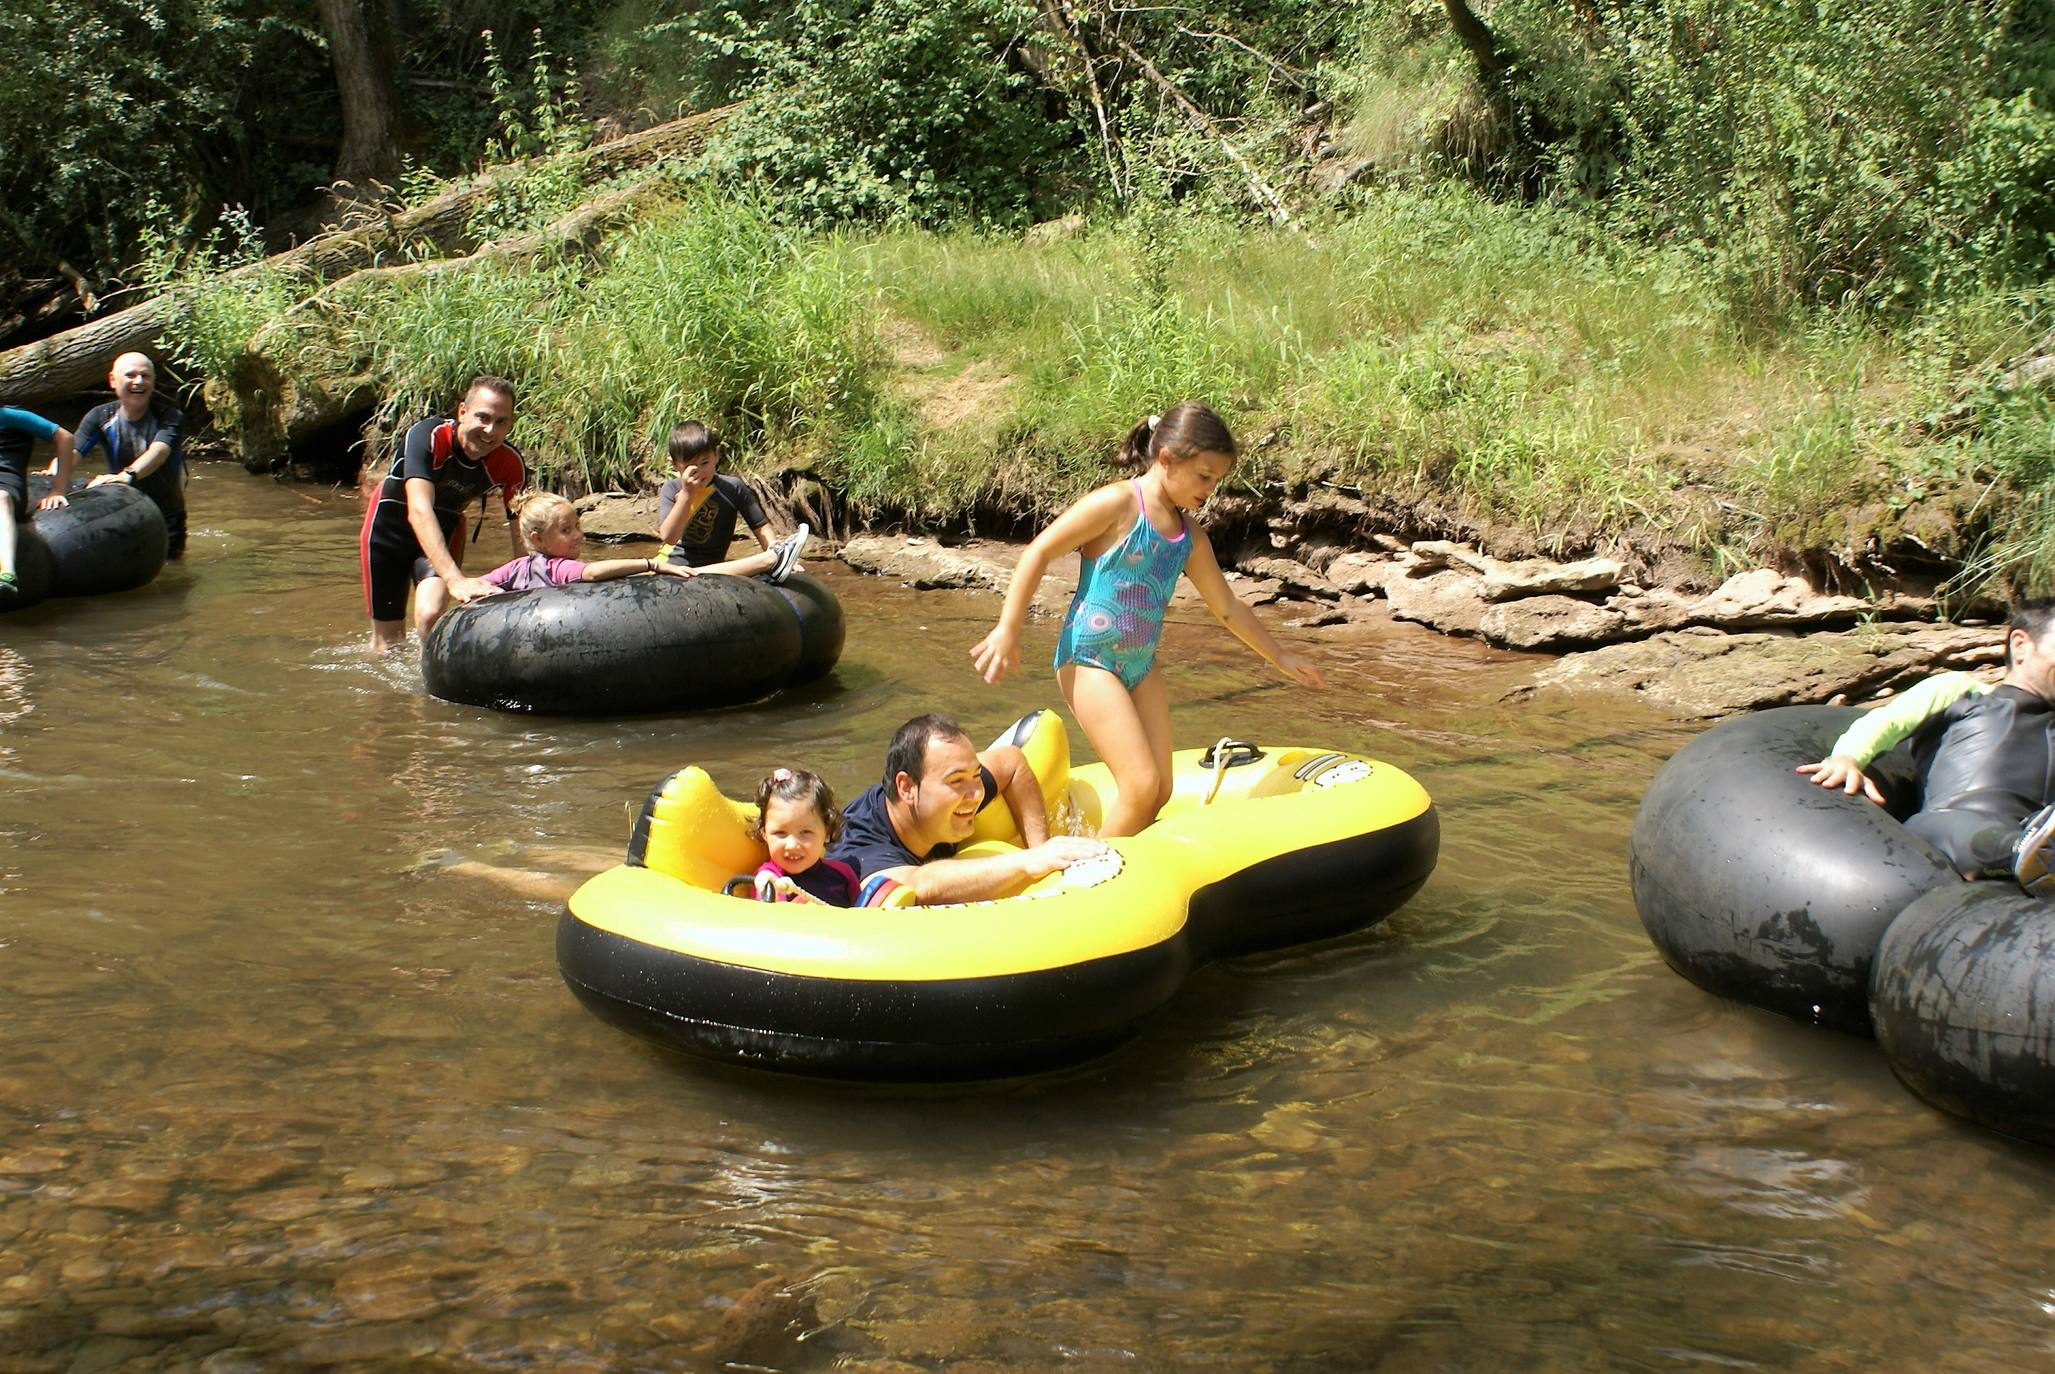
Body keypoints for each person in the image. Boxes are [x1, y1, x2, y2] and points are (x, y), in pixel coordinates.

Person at [970, 401, 1326, 837]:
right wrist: (1008, 629)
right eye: (1204, 475)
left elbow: (1228, 607)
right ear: (1166, 459)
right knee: (1140, 786)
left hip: (1140, 665)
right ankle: (1087, 880)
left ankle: (1125, 860)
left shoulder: (1188, 536)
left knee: (1159, 791)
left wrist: (1280, 657)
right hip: (1089, 659)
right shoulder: (1119, 504)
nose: (1210, 488)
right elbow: (1039, 551)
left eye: (1217, 479)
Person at [1800, 598, 2055, 895]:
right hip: (1948, 827)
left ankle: (2034, 852)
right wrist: (1848, 757)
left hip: (2033, 828)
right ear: (2021, 646)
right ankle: (2020, 851)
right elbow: (1889, 722)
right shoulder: (1960, 691)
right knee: (1963, 831)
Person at [827, 713, 1106, 905]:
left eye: (975, 775)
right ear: (907, 788)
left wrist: (1041, 851)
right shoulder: (858, 852)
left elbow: (1011, 761)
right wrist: (1027, 863)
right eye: (956, 780)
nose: (975, 793)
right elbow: (918, 884)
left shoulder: (957, 793)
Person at [359, 376, 527, 653]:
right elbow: (419, 510)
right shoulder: (428, 437)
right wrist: (455, 579)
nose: (489, 430)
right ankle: (394, 696)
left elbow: (520, 528)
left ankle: (433, 686)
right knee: (387, 646)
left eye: (501, 422)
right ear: (462, 412)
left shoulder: (509, 463)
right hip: (387, 534)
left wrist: (529, 579)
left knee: (429, 614)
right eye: (482, 417)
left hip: (444, 533)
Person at [656, 421, 809, 578]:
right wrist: (687, 494)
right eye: (691, 466)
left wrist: (772, 546)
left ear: (716, 455)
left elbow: (761, 527)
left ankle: (778, 556)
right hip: (672, 567)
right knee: (759, 563)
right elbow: (669, 537)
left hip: (713, 569)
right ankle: (775, 559)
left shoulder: (733, 487)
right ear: (674, 464)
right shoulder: (672, 489)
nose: (700, 471)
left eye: (705, 463)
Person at [75, 352, 187, 558]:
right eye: (130, 375)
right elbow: (74, 452)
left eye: (145, 376)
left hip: (166, 517)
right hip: (122, 514)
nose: (138, 382)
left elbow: (159, 451)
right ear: (112, 381)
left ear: (153, 382)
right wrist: (53, 472)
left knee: (172, 574)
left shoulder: (170, 417)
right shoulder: (99, 417)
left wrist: (127, 476)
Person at [477, 492, 702, 592]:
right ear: (539, 539)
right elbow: (593, 572)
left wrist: (488, 590)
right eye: (566, 530)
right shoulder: (556, 567)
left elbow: (479, 582)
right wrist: (651, 564)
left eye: (577, 526)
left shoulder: (518, 568)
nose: (577, 535)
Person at [749, 767, 859, 906]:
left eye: (805, 832)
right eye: (780, 833)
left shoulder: (844, 874)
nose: (792, 845)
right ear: (764, 833)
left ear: (827, 832)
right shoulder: (768, 879)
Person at [0, 406, 75, 600]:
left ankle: (7, 572)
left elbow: (65, 437)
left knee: (0, 498)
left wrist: (58, 489)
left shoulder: (12, 416)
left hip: (5, 483)